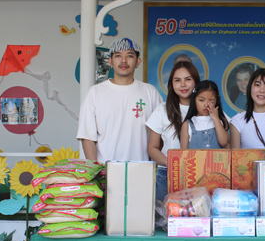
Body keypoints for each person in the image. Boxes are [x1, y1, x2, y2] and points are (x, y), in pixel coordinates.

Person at [78, 37, 163, 162]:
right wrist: (97, 171)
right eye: (118, 56)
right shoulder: (95, 93)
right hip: (106, 171)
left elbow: (162, 132)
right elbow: (87, 137)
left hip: (142, 170)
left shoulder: (150, 92)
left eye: (129, 56)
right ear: (110, 62)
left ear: (138, 62)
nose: (123, 60)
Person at [146, 60, 201, 207]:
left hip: (200, 175)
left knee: (198, 220)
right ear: (171, 84)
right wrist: (172, 164)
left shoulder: (206, 109)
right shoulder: (162, 110)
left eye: (188, 79)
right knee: (165, 222)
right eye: (177, 80)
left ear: (196, 82)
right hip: (167, 175)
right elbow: (152, 147)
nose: (183, 85)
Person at [180, 80, 229, 149]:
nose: (206, 105)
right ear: (194, 100)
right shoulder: (187, 125)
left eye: (211, 101)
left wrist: (216, 119)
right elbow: (183, 153)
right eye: (201, 100)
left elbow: (224, 142)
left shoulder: (221, 121)